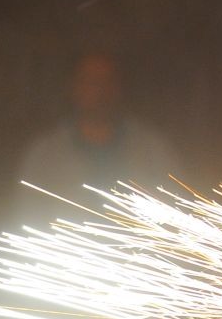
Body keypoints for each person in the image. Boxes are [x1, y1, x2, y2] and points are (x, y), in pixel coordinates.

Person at [16, 50, 178, 220]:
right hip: (69, 244)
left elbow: (175, 204)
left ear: (118, 87)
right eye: (91, 82)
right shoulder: (46, 154)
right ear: (74, 87)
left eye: (106, 81)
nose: (99, 90)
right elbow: (30, 215)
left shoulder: (151, 150)